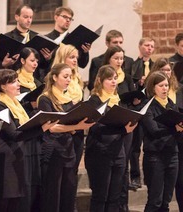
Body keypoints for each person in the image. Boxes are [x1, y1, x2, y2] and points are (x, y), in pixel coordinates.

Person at [0, 69, 55, 212]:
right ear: (2, 86)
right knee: (3, 205)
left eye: (17, 80)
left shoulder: (16, 104)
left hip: (15, 158)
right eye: (13, 82)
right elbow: (14, 134)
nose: (18, 84)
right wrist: (41, 128)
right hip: (3, 162)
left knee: (15, 204)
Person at [37, 63, 94, 212]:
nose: (69, 79)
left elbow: (69, 121)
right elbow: (52, 128)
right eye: (65, 76)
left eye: (70, 76)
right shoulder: (45, 99)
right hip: (53, 150)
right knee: (52, 195)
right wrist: (76, 127)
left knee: (68, 193)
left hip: (68, 149)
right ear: (54, 77)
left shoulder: (67, 97)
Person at [85, 65, 137, 212]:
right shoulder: (94, 100)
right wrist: (122, 129)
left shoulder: (117, 100)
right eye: (109, 79)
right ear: (100, 81)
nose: (114, 82)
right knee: (100, 196)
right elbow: (95, 127)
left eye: (115, 78)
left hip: (118, 152)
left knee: (114, 197)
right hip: (99, 153)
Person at [49, 44, 85, 210]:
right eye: (71, 57)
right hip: (60, 136)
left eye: (76, 57)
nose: (75, 61)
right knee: (58, 182)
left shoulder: (76, 80)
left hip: (76, 132)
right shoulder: (56, 87)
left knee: (71, 175)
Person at [141, 71, 182, 211]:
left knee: (166, 201)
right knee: (155, 201)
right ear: (153, 88)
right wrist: (174, 128)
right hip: (155, 157)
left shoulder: (171, 105)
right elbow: (154, 130)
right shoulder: (148, 107)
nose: (165, 88)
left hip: (172, 155)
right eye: (161, 85)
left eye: (166, 85)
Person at [16, 47, 42, 211]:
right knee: (25, 180)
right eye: (32, 60)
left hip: (37, 133)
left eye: (37, 61)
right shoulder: (15, 82)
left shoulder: (38, 84)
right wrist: (29, 105)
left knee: (36, 179)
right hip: (23, 134)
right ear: (23, 61)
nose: (35, 63)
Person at [129, 37, 155, 191]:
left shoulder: (154, 66)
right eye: (146, 45)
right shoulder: (134, 64)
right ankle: (135, 176)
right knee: (135, 146)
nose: (149, 48)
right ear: (140, 46)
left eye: (152, 46)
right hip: (137, 108)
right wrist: (138, 83)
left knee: (149, 144)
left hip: (150, 109)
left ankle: (148, 175)